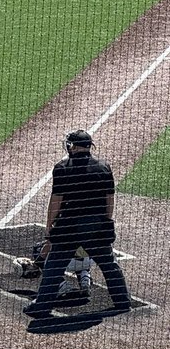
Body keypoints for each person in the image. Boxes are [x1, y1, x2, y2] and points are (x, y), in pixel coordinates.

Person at [23, 130, 130, 318]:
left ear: (72, 146)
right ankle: (122, 301)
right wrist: (106, 221)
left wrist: (49, 226)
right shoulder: (104, 167)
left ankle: (42, 307)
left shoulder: (63, 167)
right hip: (96, 226)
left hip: (69, 226)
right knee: (109, 264)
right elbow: (109, 198)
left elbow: (56, 200)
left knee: (54, 266)